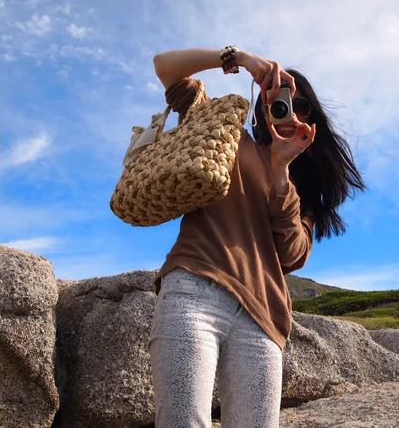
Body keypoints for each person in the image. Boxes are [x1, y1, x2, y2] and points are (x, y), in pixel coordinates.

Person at [149, 47, 365, 428]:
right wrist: (237, 58)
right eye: (283, 99)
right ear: (263, 103)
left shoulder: (305, 191)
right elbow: (165, 67)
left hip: (262, 316)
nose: (292, 112)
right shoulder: (224, 135)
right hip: (195, 287)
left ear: (313, 121)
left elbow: (292, 256)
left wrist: (281, 171)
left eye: (303, 107)